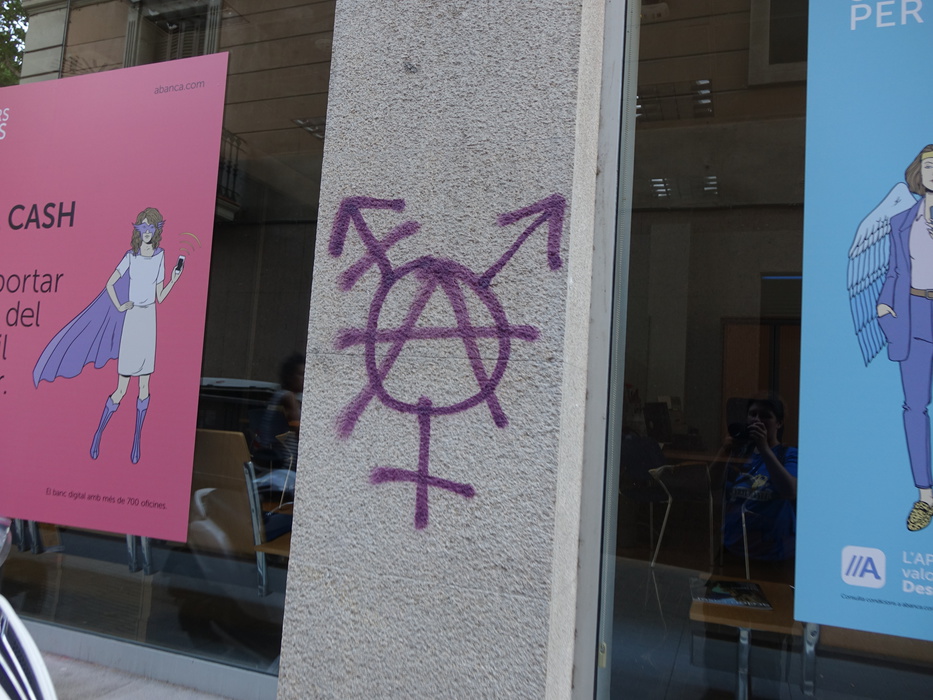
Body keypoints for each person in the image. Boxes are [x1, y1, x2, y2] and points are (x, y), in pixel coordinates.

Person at [33, 207, 182, 463]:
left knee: (144, 386)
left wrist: (174, 280)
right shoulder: (130, 256)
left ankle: (137, 440)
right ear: (138, 229)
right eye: (142, 226)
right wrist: (120, 306)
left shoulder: (161, 256)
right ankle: (98, 434)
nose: (146, 231)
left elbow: (159, 296)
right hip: (133, 319)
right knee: (121, 388)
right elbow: (110, 283)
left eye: (151, 227)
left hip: (149, 320)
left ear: (157, 230)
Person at [877, 145, 933, 530]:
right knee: (914, 408)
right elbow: (895, 271)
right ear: (918, 172)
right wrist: (884, 306)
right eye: (928, 166)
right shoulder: (901, 222)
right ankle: (925, 497)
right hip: (913, 316)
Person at [720, 397, 798, 566]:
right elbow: (711, 485)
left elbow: (790, 490)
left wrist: (764, 448)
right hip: (733, 548)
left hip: (773, 553)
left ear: (779, 423)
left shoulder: (789, 454)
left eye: (765, 416)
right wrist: (724, 452)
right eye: (752, 414)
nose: (757, 420)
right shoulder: (742, 454)